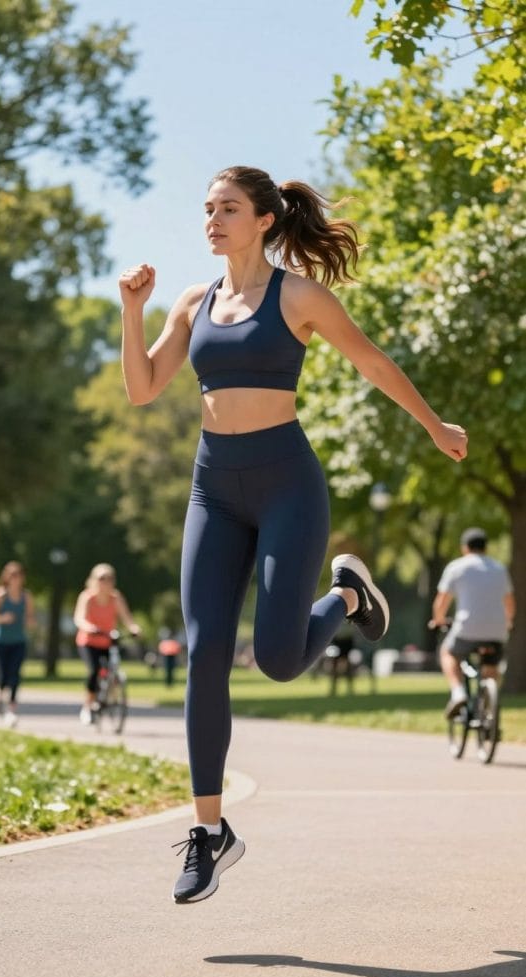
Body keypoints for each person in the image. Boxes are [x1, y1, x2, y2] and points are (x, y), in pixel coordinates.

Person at [119, 165, 468, 905]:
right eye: (206, 208)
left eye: (228, 208)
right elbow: (143, 388)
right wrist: (132, 310)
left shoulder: (299, 295)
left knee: (278, 659)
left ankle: (344, 595)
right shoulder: (193, 299)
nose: (212, 220)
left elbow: (370, 361)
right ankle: (209, 832)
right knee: (205, 649)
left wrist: (434, 426)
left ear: (265, 220)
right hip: (213, 488)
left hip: (286, 485)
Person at [432, 527, 515, 719]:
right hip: (497, 630)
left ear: (465, 548)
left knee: (448, 652)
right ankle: (489, 707)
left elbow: (441, 601)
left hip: (467, 629)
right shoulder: (499, 568)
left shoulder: (456, 567)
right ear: (486, 548)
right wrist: (509, 622)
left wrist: (438, 620)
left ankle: (458, 692)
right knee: (491, 667)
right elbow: (510, 603)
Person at [73, 564, 140, 724]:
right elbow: (79, 618)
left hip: (108, 640)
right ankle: (88, 706)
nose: (106, 582)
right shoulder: (87, 597)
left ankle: (109, 694)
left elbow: (127, 618)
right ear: (94, 580)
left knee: (113, 668)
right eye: (102, 578)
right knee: (94, 670)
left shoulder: (116, 598)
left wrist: (134, 628)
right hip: (88, 641)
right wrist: (89, 627)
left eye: (109, 578)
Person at [0, 562, 36, 727]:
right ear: (6, 577)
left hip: (19, 641)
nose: (16, 578)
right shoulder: (0, 595)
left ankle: (12, 708)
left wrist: (30, 623)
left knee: (15, 674)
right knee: (3, 674)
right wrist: (2, 618)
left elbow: (30, 618)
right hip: (0, 641)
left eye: (19, 575)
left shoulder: (26, 596)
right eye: (12, 575)